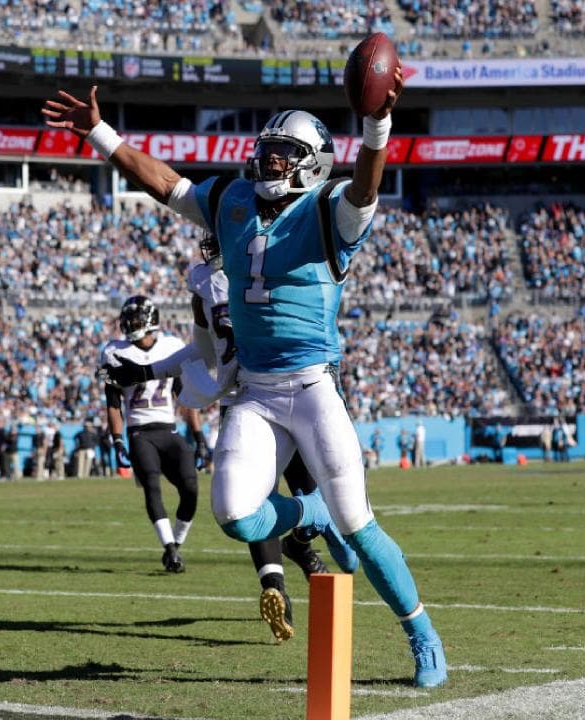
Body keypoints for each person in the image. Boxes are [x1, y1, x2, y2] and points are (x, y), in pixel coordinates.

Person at [42, 68, 447, 686]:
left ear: (311, 164)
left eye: (284, 154)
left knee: (360, 527)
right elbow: (165, 184)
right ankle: (306, 515)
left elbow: (365, 186)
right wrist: (98, 132)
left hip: (312, 385)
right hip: (255, 391)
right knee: (233, 514)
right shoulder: (232, 201)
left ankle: (422, 636)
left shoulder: (328, 210)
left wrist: (376, 124)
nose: (269, 161)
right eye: (267, 149)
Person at [106, 234, 329, 641]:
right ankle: (275, 586)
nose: (210, 247)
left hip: (294, 390)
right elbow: (204, 351)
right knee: (252, 499)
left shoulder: (270, 266)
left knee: (317, 495)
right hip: (246, 398)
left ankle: (299, 543)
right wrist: (142, 374)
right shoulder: (205, 286)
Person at [103, 295, 206, 573]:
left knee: (191, 488)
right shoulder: (113, 351)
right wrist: (117, 439)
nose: (128, 324)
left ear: (151, 321)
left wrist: (198, 437)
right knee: (151, 483)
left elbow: (186, 396)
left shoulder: (172, 346)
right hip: (139, 432)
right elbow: (113, 403)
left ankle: (177, 543)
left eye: (135, 320)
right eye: (127, 319)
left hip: (168, 429)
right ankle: (170, 550)